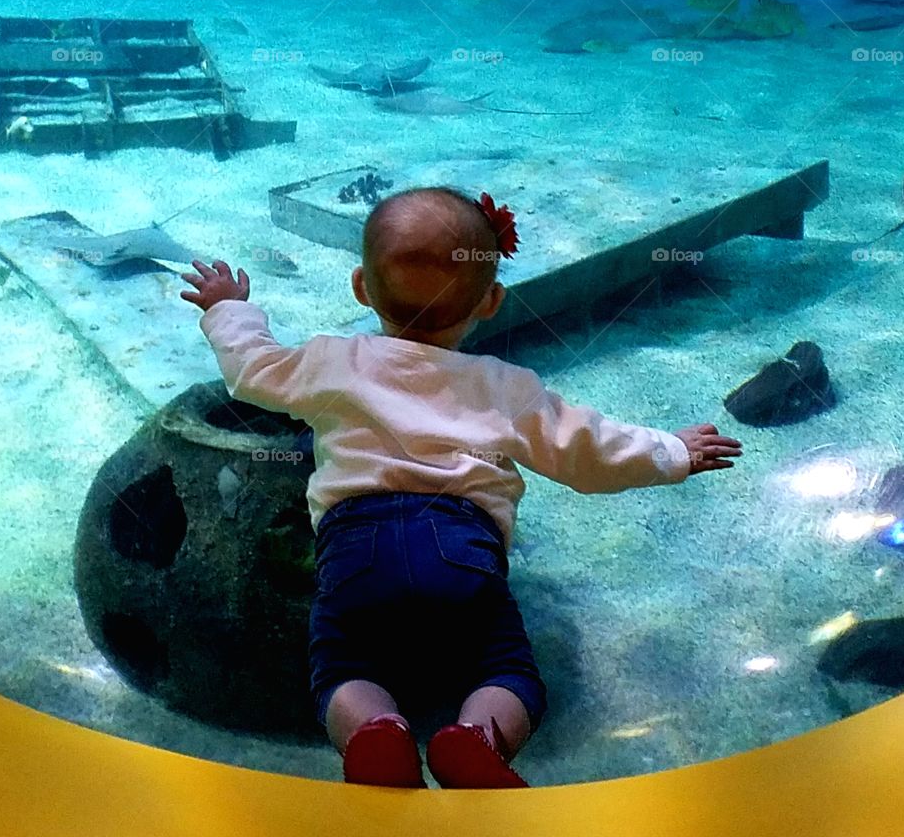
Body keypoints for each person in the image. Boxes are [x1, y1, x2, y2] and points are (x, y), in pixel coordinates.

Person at [180, 186, 742, 789]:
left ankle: (376, 733)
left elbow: (252, 371)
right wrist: (674, 450)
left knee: (340, 664)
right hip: (460, 548)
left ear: (361, 289)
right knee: (504, 668)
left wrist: (229, 309)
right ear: (491, 300)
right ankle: (477, 738)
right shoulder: (507, 386)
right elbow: (590, 453)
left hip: (354, 547)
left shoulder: (331, 360)